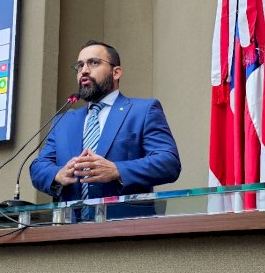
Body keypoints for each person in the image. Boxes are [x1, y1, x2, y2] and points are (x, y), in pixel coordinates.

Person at [30, 40, 181, 219]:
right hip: (69, 232)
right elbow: (38, 167)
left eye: (93, 63)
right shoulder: (64, 121)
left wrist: (117, 170)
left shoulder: (143, 111)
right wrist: (58, 174)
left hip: (127, 232)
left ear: (116, 72)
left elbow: (168, 163)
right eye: (79, 66)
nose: (84, 70)